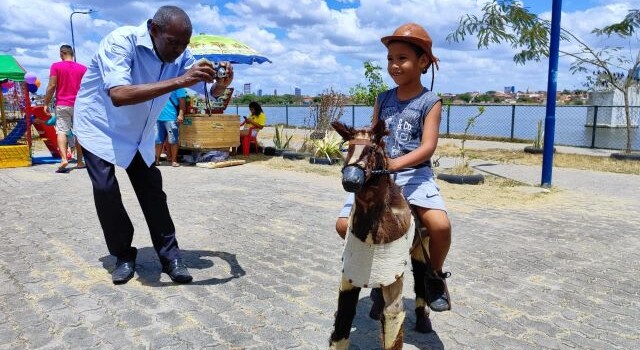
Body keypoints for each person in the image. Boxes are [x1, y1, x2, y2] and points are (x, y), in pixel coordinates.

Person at [73, 5, 234, 285]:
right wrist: (182, 79)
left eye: (184, 44)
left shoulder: (180, 53)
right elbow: (119, 94)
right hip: (100, 127)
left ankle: (171, 256)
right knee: (105, 189)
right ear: (154, 29)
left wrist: (220, 85)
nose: (179, 50)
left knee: (153, 193)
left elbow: (206, 92)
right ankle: (123, 255)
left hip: (139, 133)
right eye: (173, 42)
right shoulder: (121, 42)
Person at [334, 22, 452, 333]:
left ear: (422, 62)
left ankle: (434, 277)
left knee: (439, 225)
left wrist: (398, 162)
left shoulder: (430, 101)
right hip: (379, 176)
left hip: (414, 175)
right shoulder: (383, 97)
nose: (394, 65)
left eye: (402, 58)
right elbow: (374, 136)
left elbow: (428, 146)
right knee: (344, 224)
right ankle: (376, 277)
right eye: (390, 59)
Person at [43, 45, 87, 172]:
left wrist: (46, 103)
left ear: (62, 53)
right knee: (79, 133)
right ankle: (79, 162)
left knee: (61, 131)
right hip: (79, 104)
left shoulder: (56, 66)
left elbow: (52, 86)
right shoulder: (83, 68)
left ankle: (64, 159)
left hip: (62, 103)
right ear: (72, 54)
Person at [155, 88, 187, 167]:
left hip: (171, 118)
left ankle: (174, 161)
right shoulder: (159, 83)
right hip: (157, 118)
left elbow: (182, 102)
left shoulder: (179, 86)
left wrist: (181, 114)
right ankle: (156, 161)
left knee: (173, 140)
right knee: (158, 140)